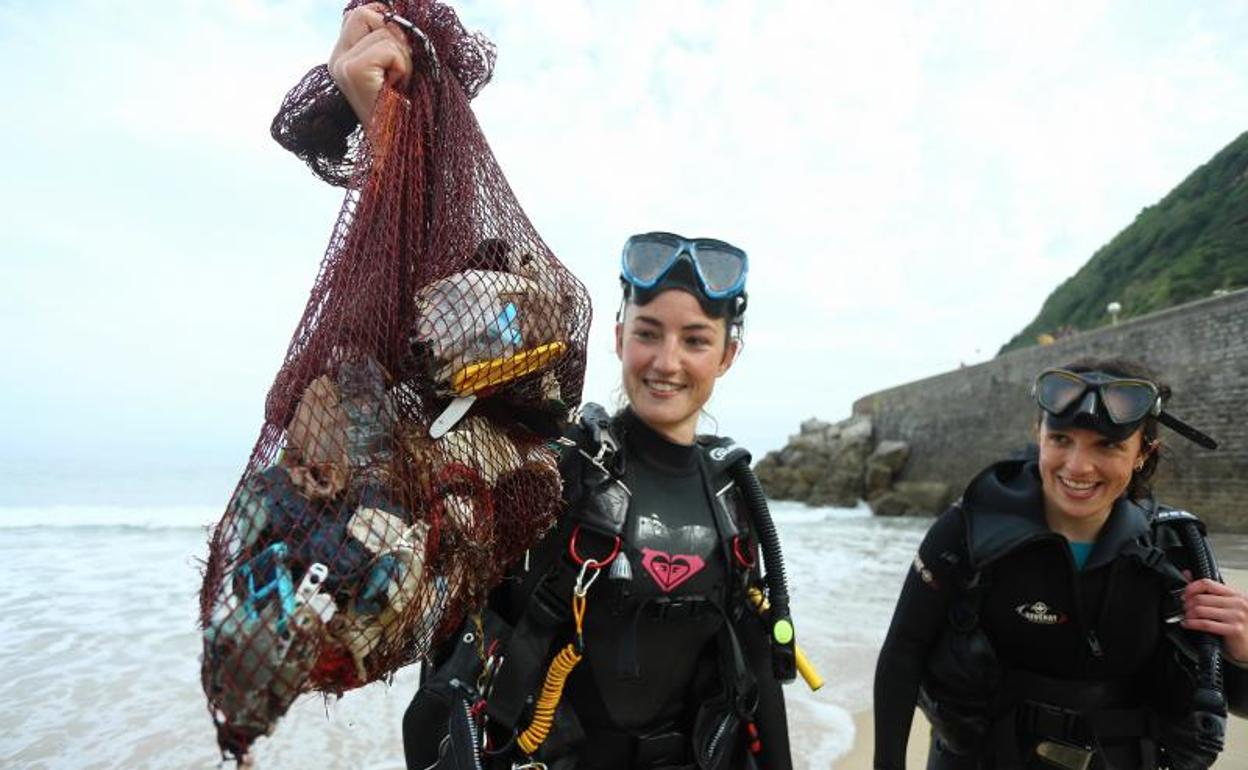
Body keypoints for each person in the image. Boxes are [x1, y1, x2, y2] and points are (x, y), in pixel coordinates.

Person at [294, 6, 797, 769]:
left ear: (727, 355)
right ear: (618, 335)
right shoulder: (557, 467)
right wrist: (390, 128)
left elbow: (761, 688)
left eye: (696, 340)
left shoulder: (735, 505)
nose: (667, 360)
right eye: (650, 332)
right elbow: (445, 323)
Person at [872, 357, 1248, 769]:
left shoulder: (1175, 551)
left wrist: (1242, 654)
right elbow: (902, 654)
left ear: (1143, 452)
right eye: (1061, 439)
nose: (1077, 466)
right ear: (1039, 434)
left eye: (1107, 445)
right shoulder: (969, 531)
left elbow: (1231, 698)